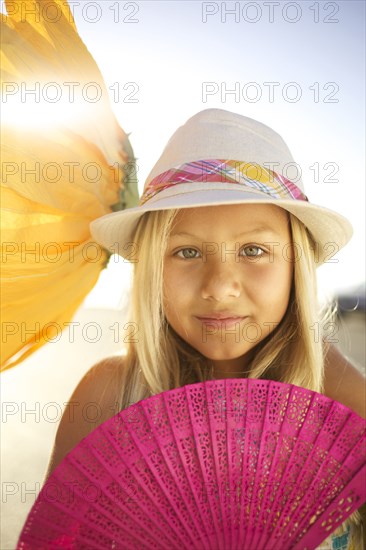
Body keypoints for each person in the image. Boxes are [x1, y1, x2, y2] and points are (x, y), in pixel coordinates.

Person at [44, 109, 365, 548]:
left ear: (297, 267)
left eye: (253, 249)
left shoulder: (336, 400)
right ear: (152, 268)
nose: (219, 287)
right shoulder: (110, 395)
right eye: (187, 253)